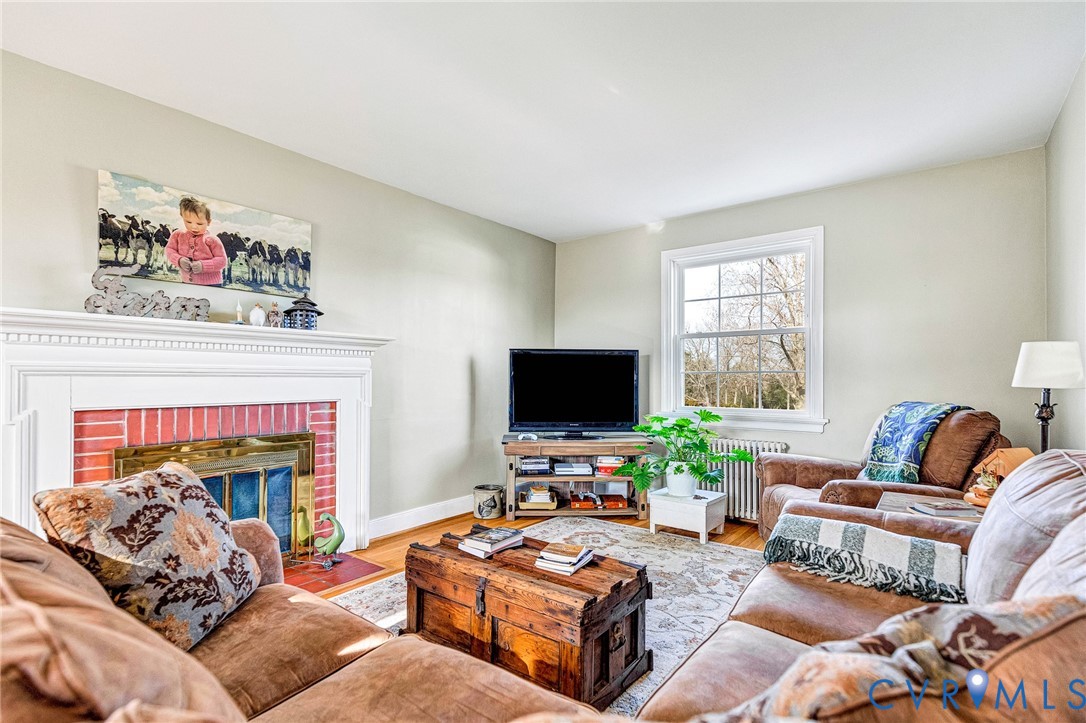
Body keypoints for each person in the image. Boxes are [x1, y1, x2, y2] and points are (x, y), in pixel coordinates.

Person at [165, 196, 228, 285]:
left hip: (212, 284)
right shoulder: (177, 235)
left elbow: (222, 261)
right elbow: (169, 250)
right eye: (188, 222)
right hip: (186, 282)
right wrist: (179, 260)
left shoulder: (212, 240)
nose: (194, 227)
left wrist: (203, 266)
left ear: (208, 222)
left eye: (199, 223)